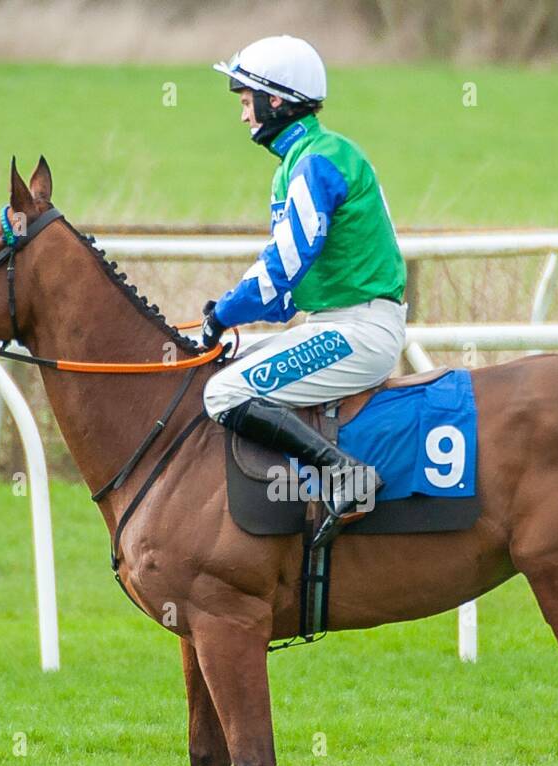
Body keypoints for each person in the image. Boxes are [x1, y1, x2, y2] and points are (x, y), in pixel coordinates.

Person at [201, 35, 408, 548]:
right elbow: (290, 289)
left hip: (360, 331)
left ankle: (348, 477)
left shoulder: (318, 160)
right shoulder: (300, 161)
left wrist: (224, 313)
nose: (243, 114)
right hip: (334, 321)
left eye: (247, 100)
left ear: (277, 100)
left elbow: (283, 267)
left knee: (224, 392)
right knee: (221, 366)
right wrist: (231, 319)